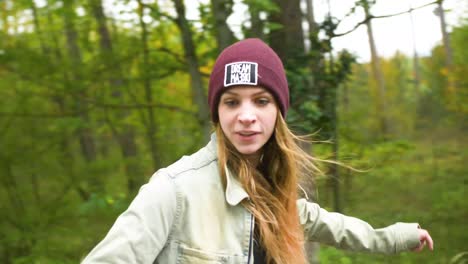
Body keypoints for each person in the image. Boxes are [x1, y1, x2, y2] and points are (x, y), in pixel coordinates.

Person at [82, 38, 433, 264]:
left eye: (261, 101)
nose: (246, 117)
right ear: (217, 114)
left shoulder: (273, 193)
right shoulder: (173, 190)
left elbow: (333, 226)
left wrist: (396, 236)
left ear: (277, 112)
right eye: (231, 102)